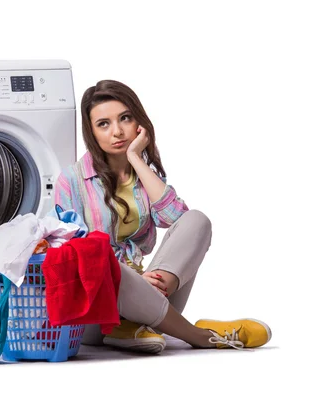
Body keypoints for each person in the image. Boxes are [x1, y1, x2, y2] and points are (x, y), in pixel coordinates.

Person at [52, 80, 271, 353]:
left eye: (125, 118)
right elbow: (73, 254)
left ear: (138, 123)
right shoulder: (71, 180)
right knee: (101, 259)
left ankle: (138, 329)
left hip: (149, 295)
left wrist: (136, 158)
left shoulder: (143, 172)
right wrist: (128, 278)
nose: (117, 131)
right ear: (92, 132)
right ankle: (199, 334)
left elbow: (176, 217)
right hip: (96, 311)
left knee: (197, 220)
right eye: (104, 124)